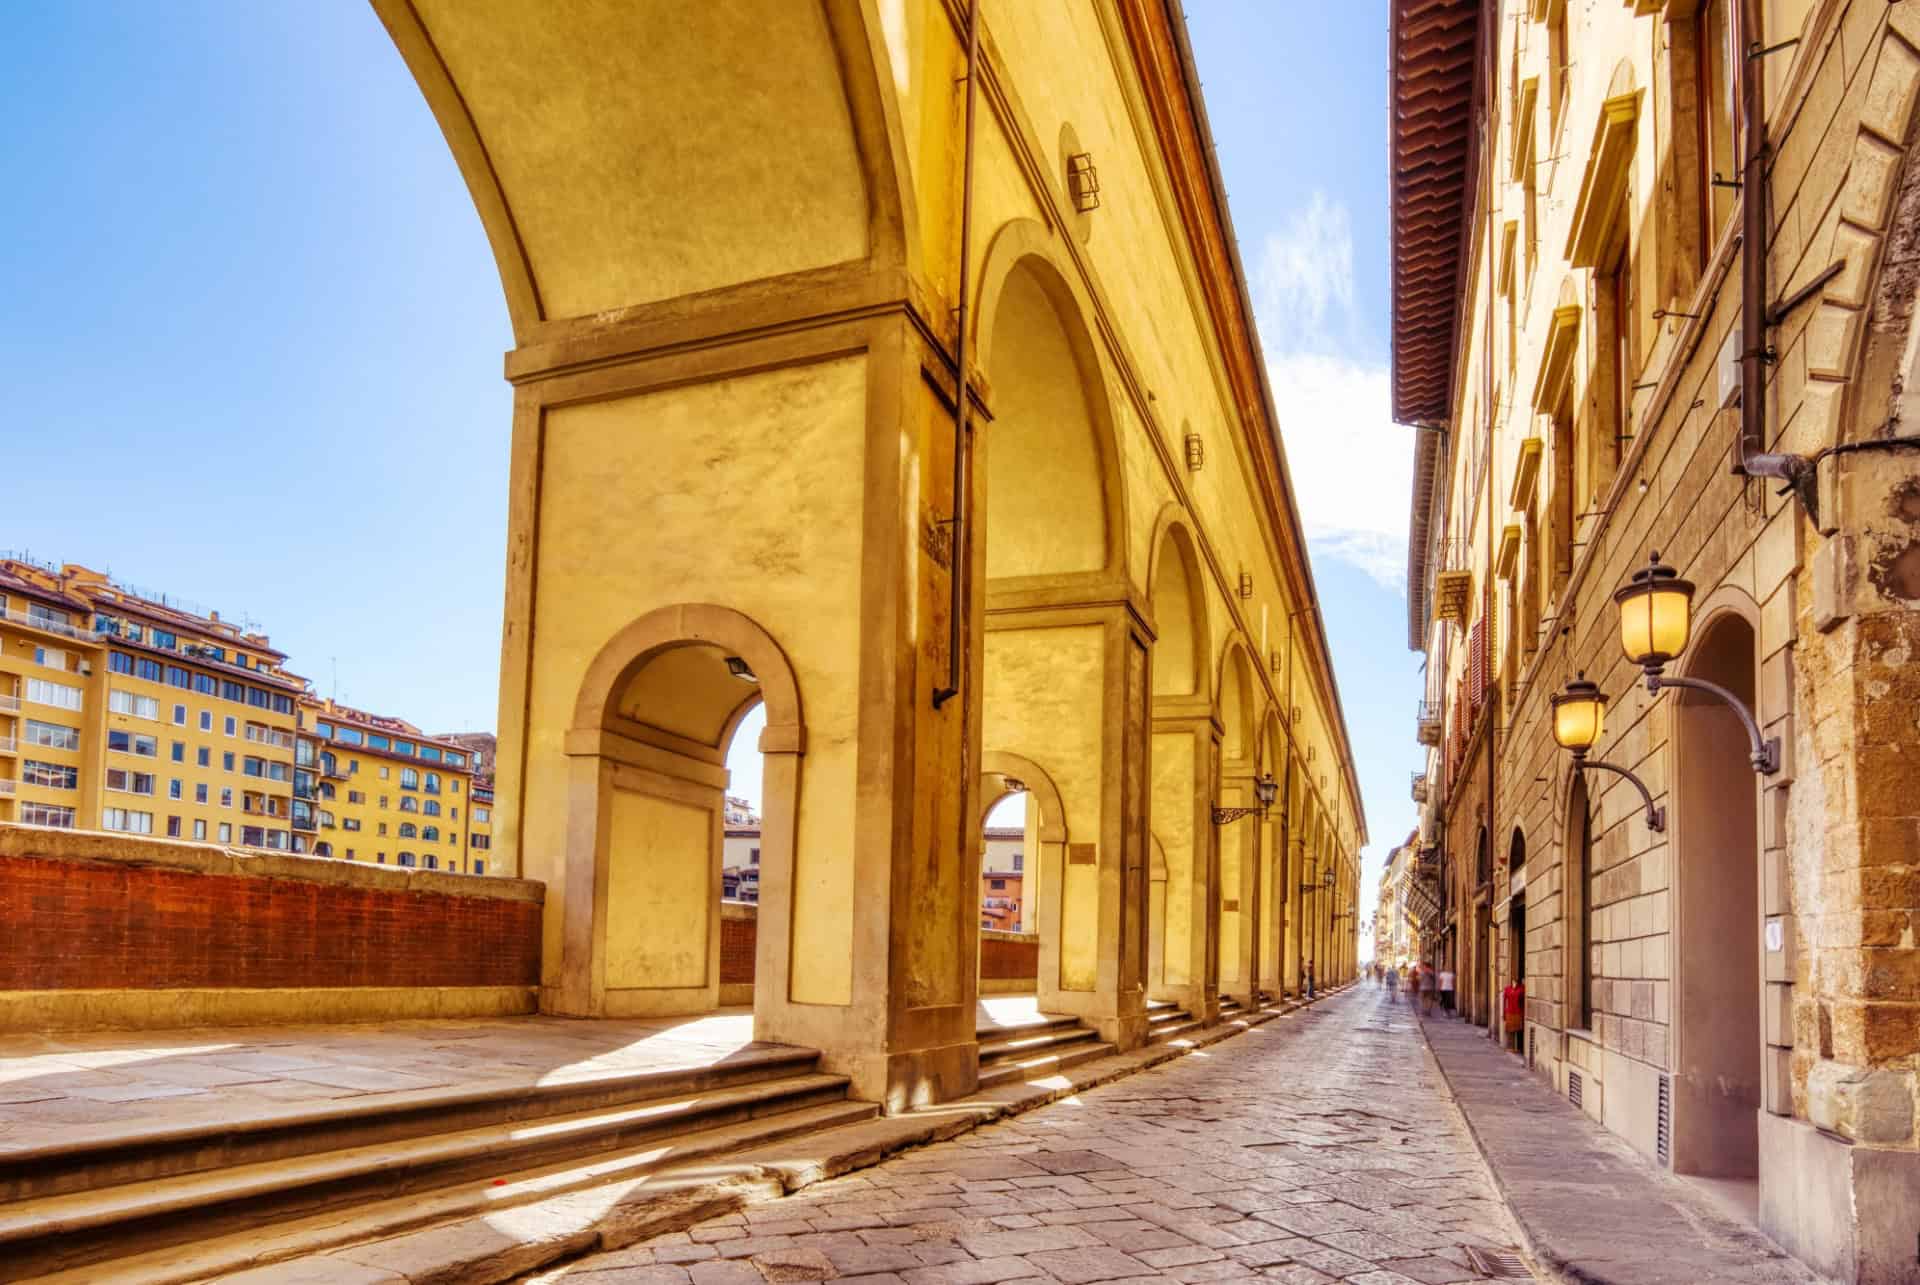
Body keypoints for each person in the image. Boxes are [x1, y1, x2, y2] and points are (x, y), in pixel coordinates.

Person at [1503, 977, 1526, 1054]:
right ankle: (1509, 1046)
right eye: (1513, 982)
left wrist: (1523, 984)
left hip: (1517, 1012)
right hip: (1509, 1012)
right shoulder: (1507, 989)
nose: (1514, 983)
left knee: (1517, 1030)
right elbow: (1504, 1001)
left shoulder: (1520, 989)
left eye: (1515, 982)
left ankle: (1517, 1047)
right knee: (1509, 1030)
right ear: (1511, 982)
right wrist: (1504, 1013)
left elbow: (1523, 997)